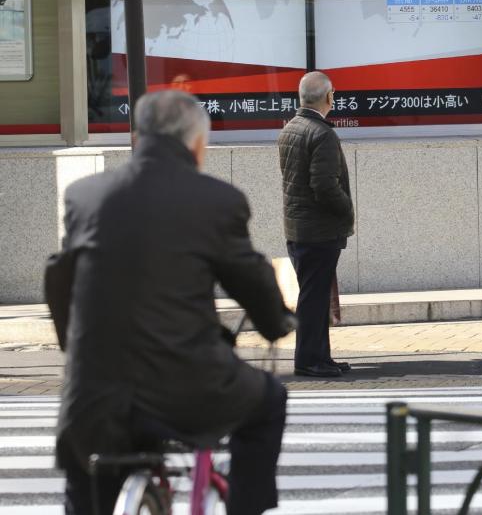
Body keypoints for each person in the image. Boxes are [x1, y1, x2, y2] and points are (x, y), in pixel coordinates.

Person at [47, 90, 294, 515]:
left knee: (88, 479)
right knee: (270, 400)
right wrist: (275, 323)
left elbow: (61, 278)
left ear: (136, 137)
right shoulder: (217, 200)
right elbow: (250, 277)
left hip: (95, 394)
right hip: (188, 389)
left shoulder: (85, 197)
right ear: (197, 143)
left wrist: (75, 346)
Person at [278, 71, 355, 378]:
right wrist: (347, 209)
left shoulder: (291, 128)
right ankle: (310, 359)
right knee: (314, 298)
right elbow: (324, 186)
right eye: (333, 94)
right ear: (328, 96)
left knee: (316, 295)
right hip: (319, 229)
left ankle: (320, 356)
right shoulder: (321, 133)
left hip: (298, 228)